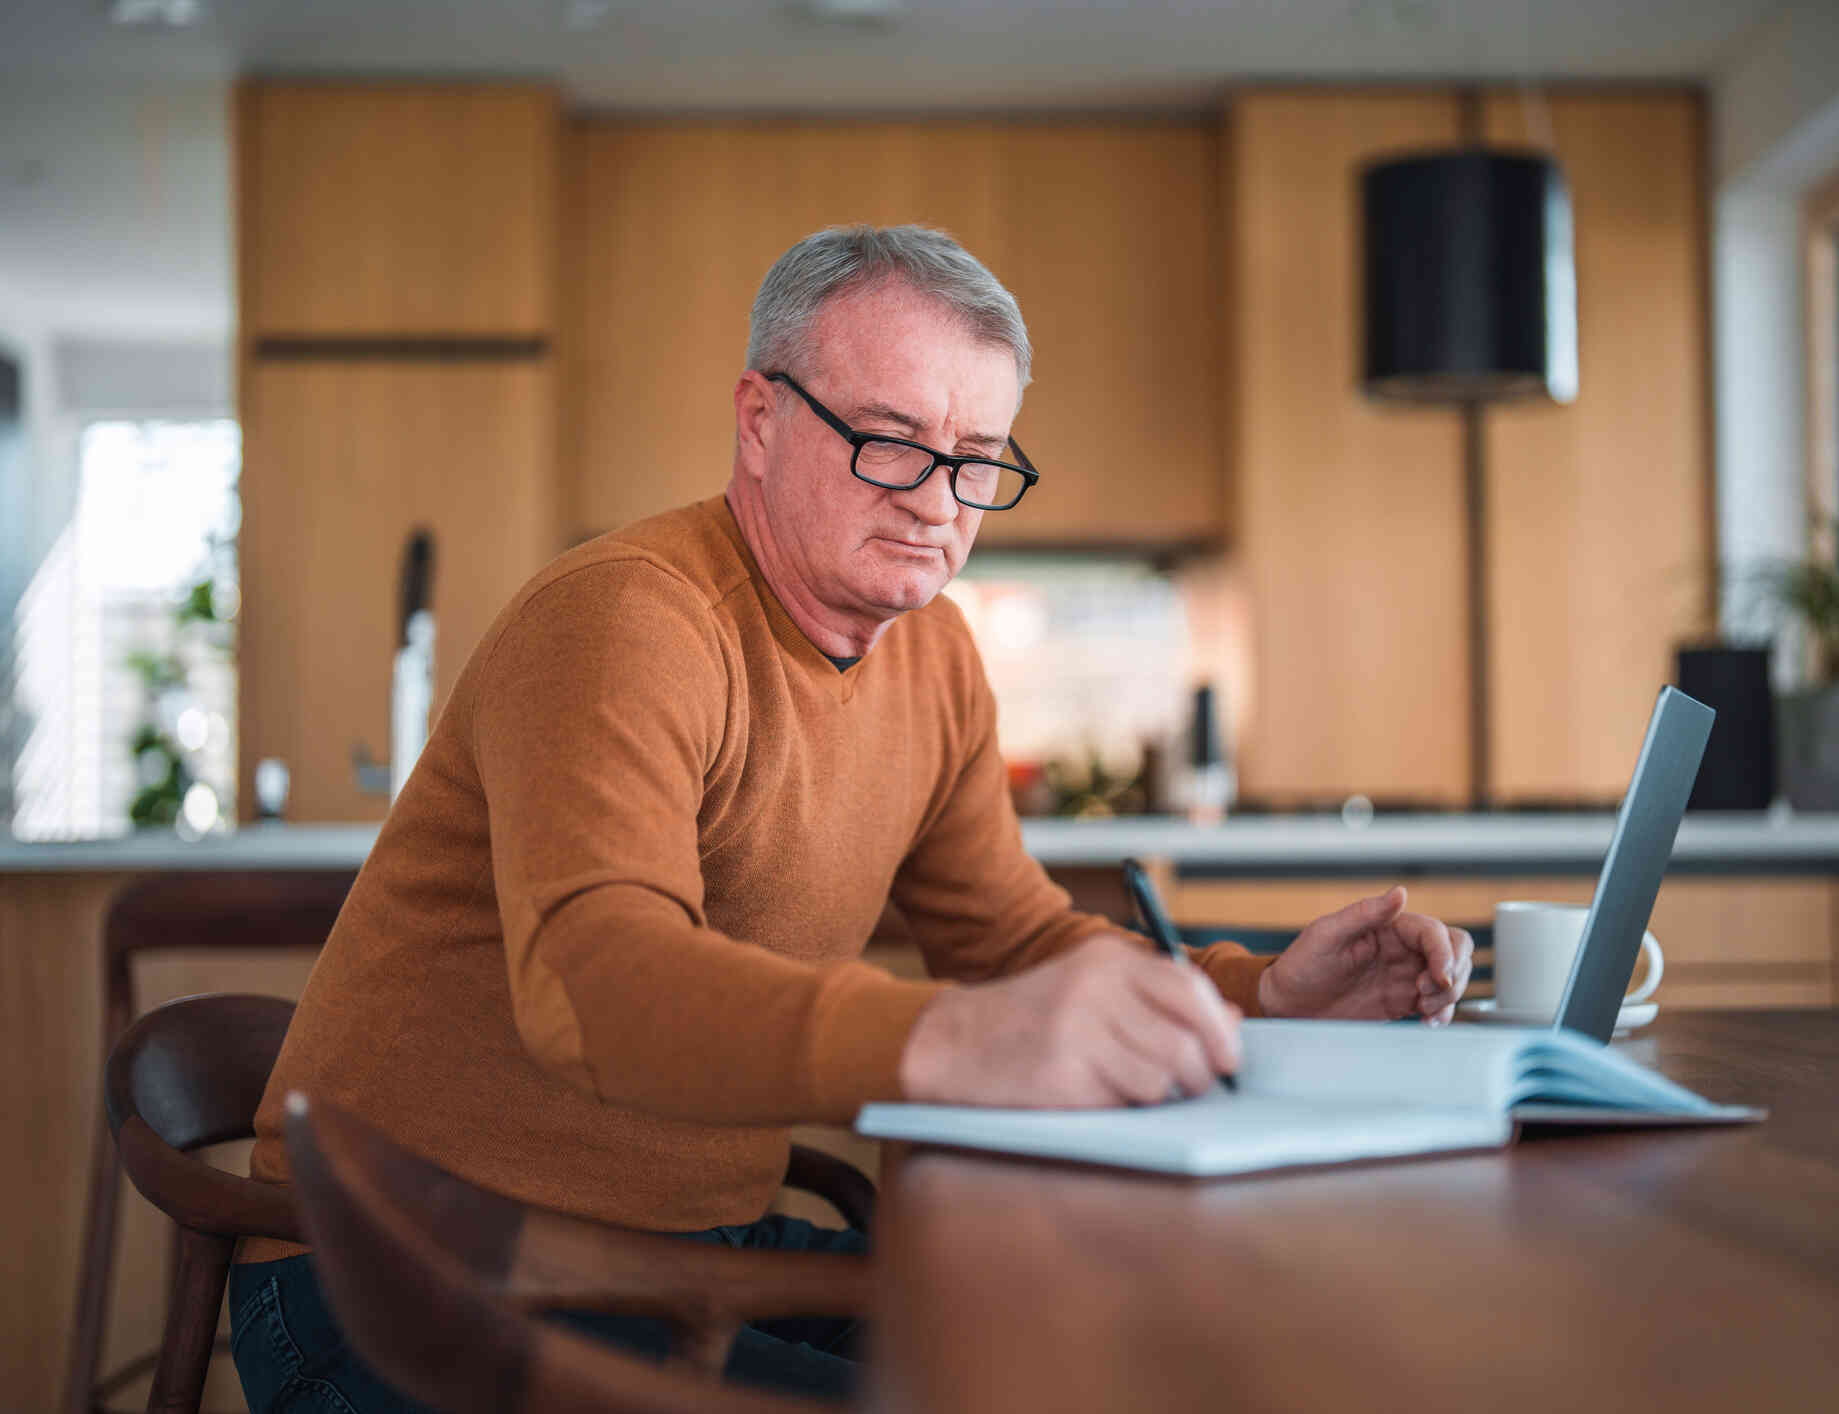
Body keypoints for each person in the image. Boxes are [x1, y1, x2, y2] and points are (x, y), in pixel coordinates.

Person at [229, 224, 1474, 1411]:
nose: (942, 499)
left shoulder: (933, 658)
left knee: (1097, 1357)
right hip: (409, 1264)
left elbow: (1011, 938)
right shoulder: (630, 621)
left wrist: (1256, 994)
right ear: (760, 421)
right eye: (891, 440)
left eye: (979, 455)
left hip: (667, 1249)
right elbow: (593, 983)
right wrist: (958, 1044)